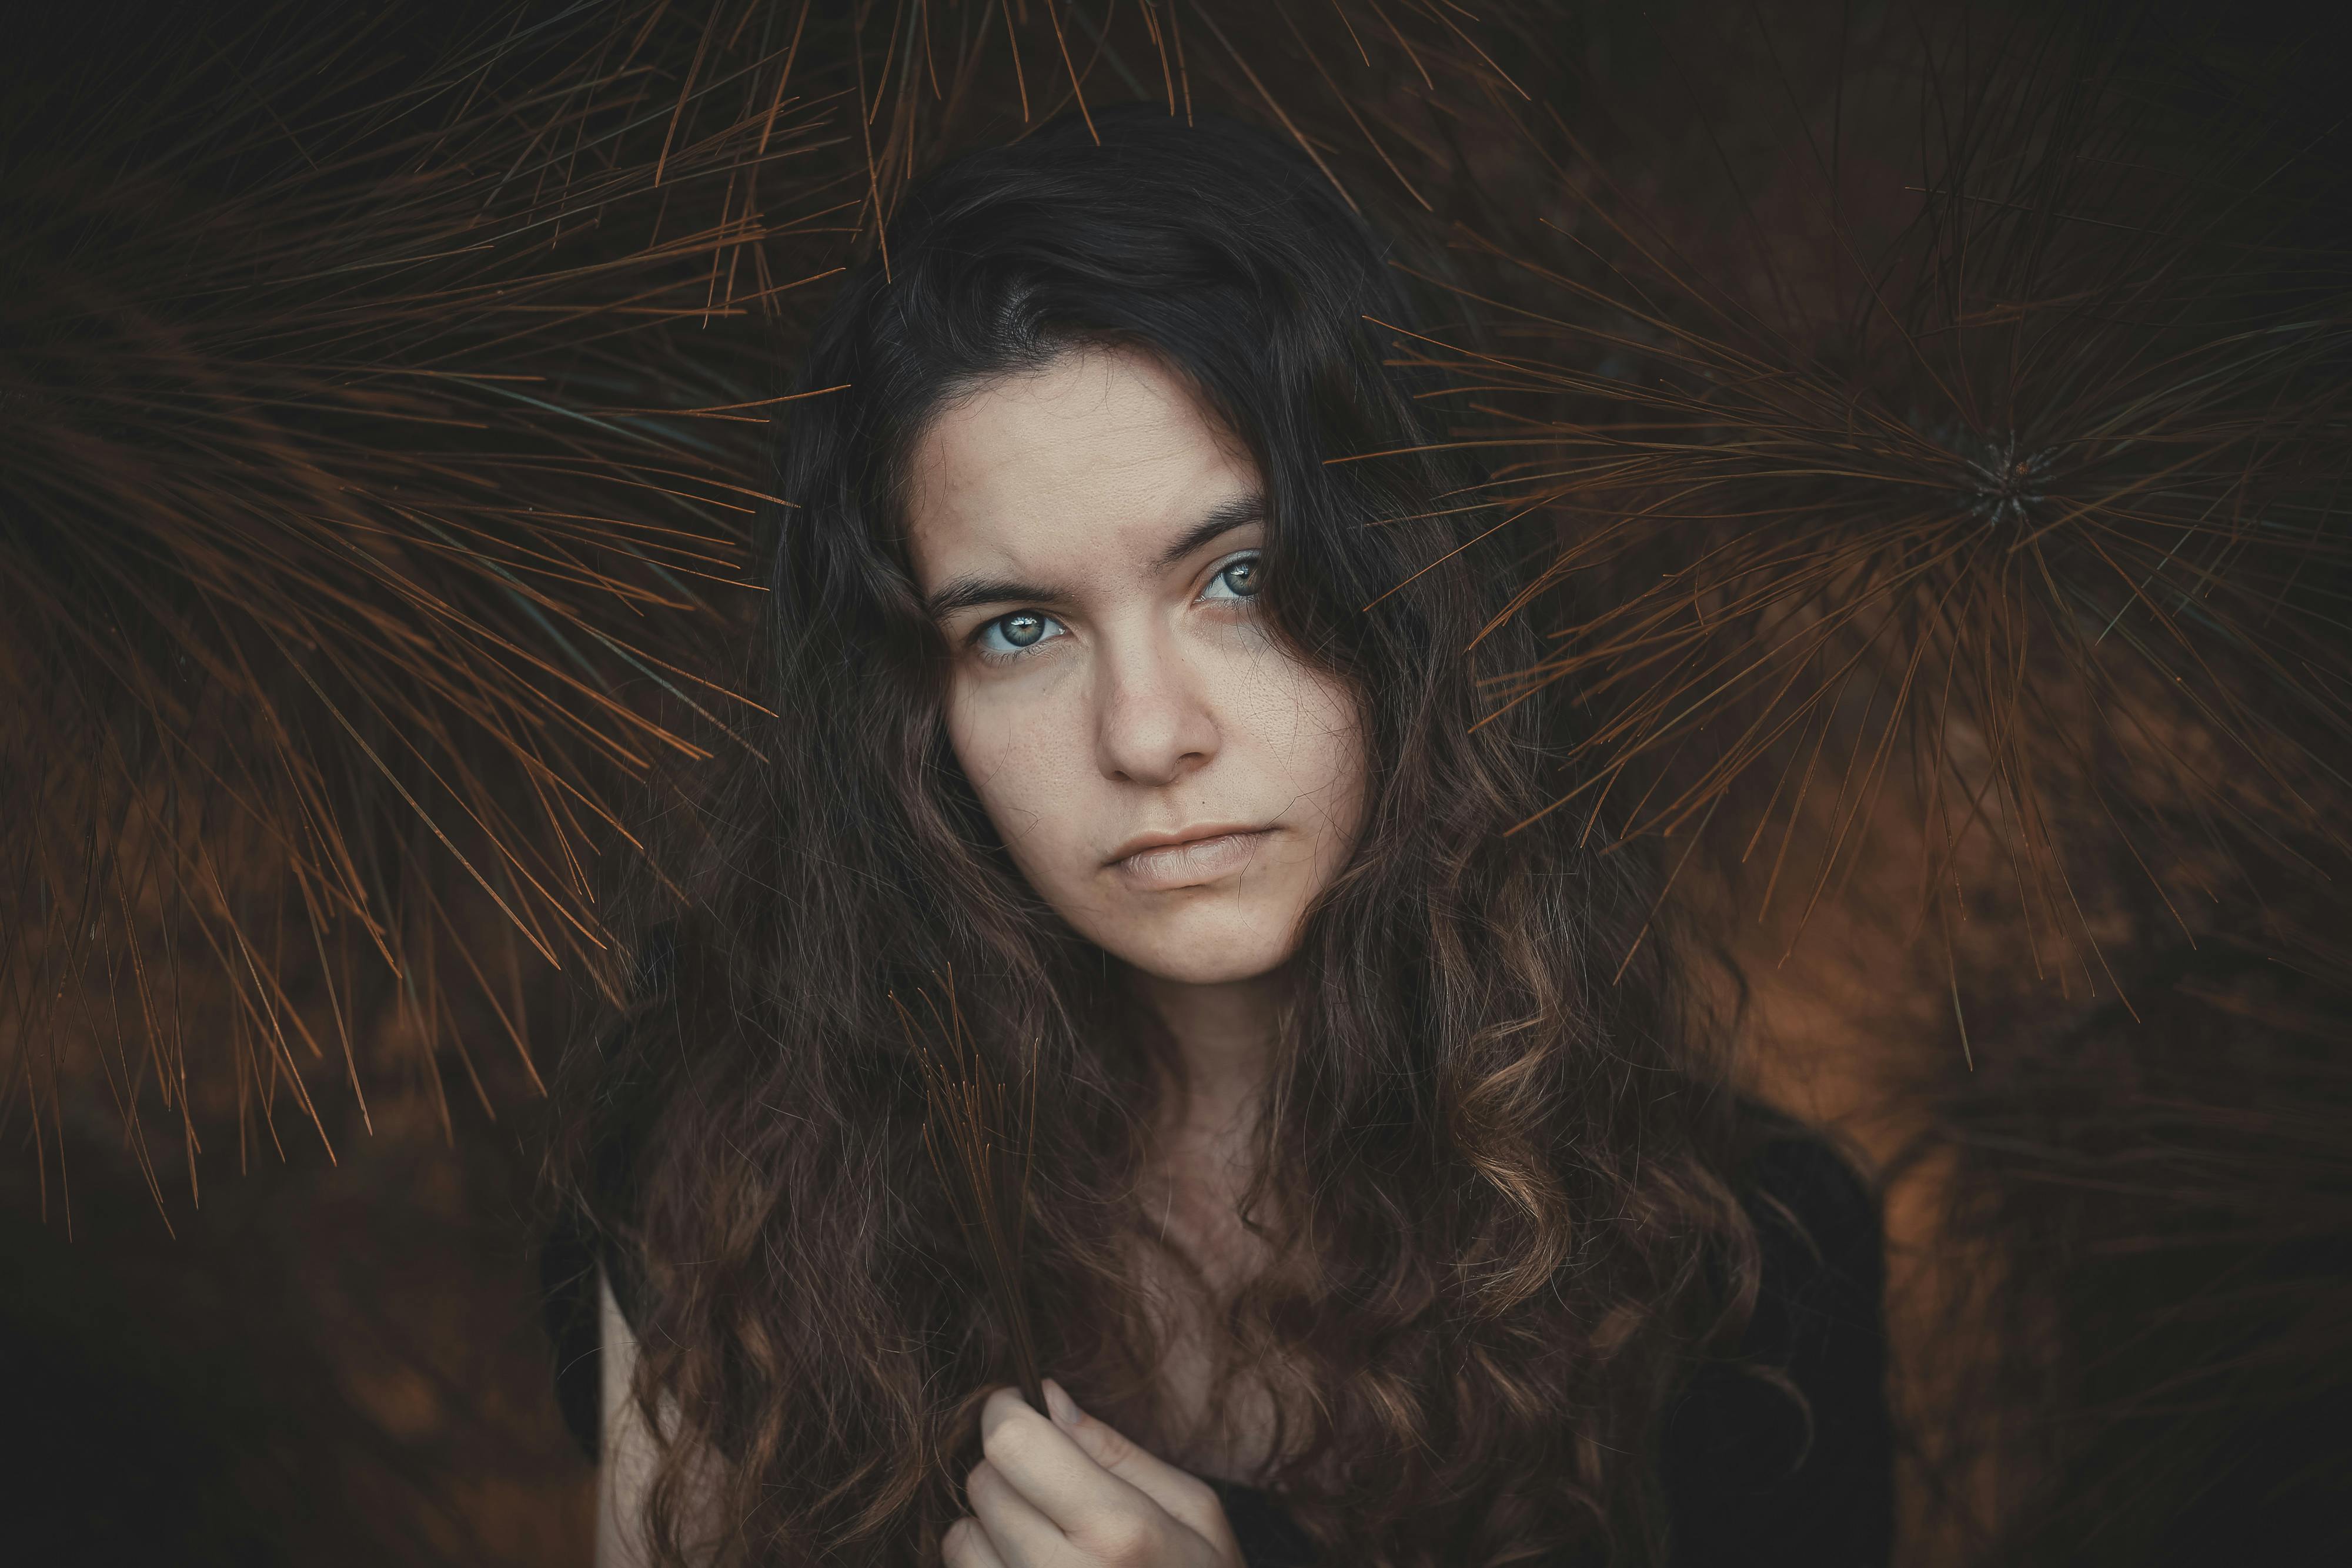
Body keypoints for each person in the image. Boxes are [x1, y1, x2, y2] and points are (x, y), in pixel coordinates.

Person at [540, 105, 1892, 1568]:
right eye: (1017, 627)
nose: (1143, 733)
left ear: (1414, 600)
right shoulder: (725, 1161)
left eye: (1238, 577)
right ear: (911, 716)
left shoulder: (1743, 1262)